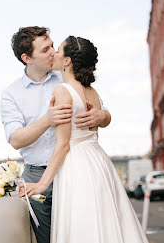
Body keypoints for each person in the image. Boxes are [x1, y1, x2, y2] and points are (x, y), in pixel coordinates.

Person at [19, 36, 148, 242]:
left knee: (83, 224)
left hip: (76, 165)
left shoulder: (63, 91)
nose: (55, 53)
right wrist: (104, 115)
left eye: (59, 50)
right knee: (106, 221)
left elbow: (62, 145)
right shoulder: (92, 91)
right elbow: (98, 122)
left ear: (68, 61)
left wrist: (42, 184)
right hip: (98, 161)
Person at [0, 27, 111, 243]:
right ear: (27, 57)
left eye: (53, 46)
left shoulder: (67, 79)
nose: (53, 51)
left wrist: (102, 116)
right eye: (45, 49)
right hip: (36, 175)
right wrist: (47, 120)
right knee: (47, 238)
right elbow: (15, 139)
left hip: (73, 171)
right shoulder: (11, 94)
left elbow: (102, 114)